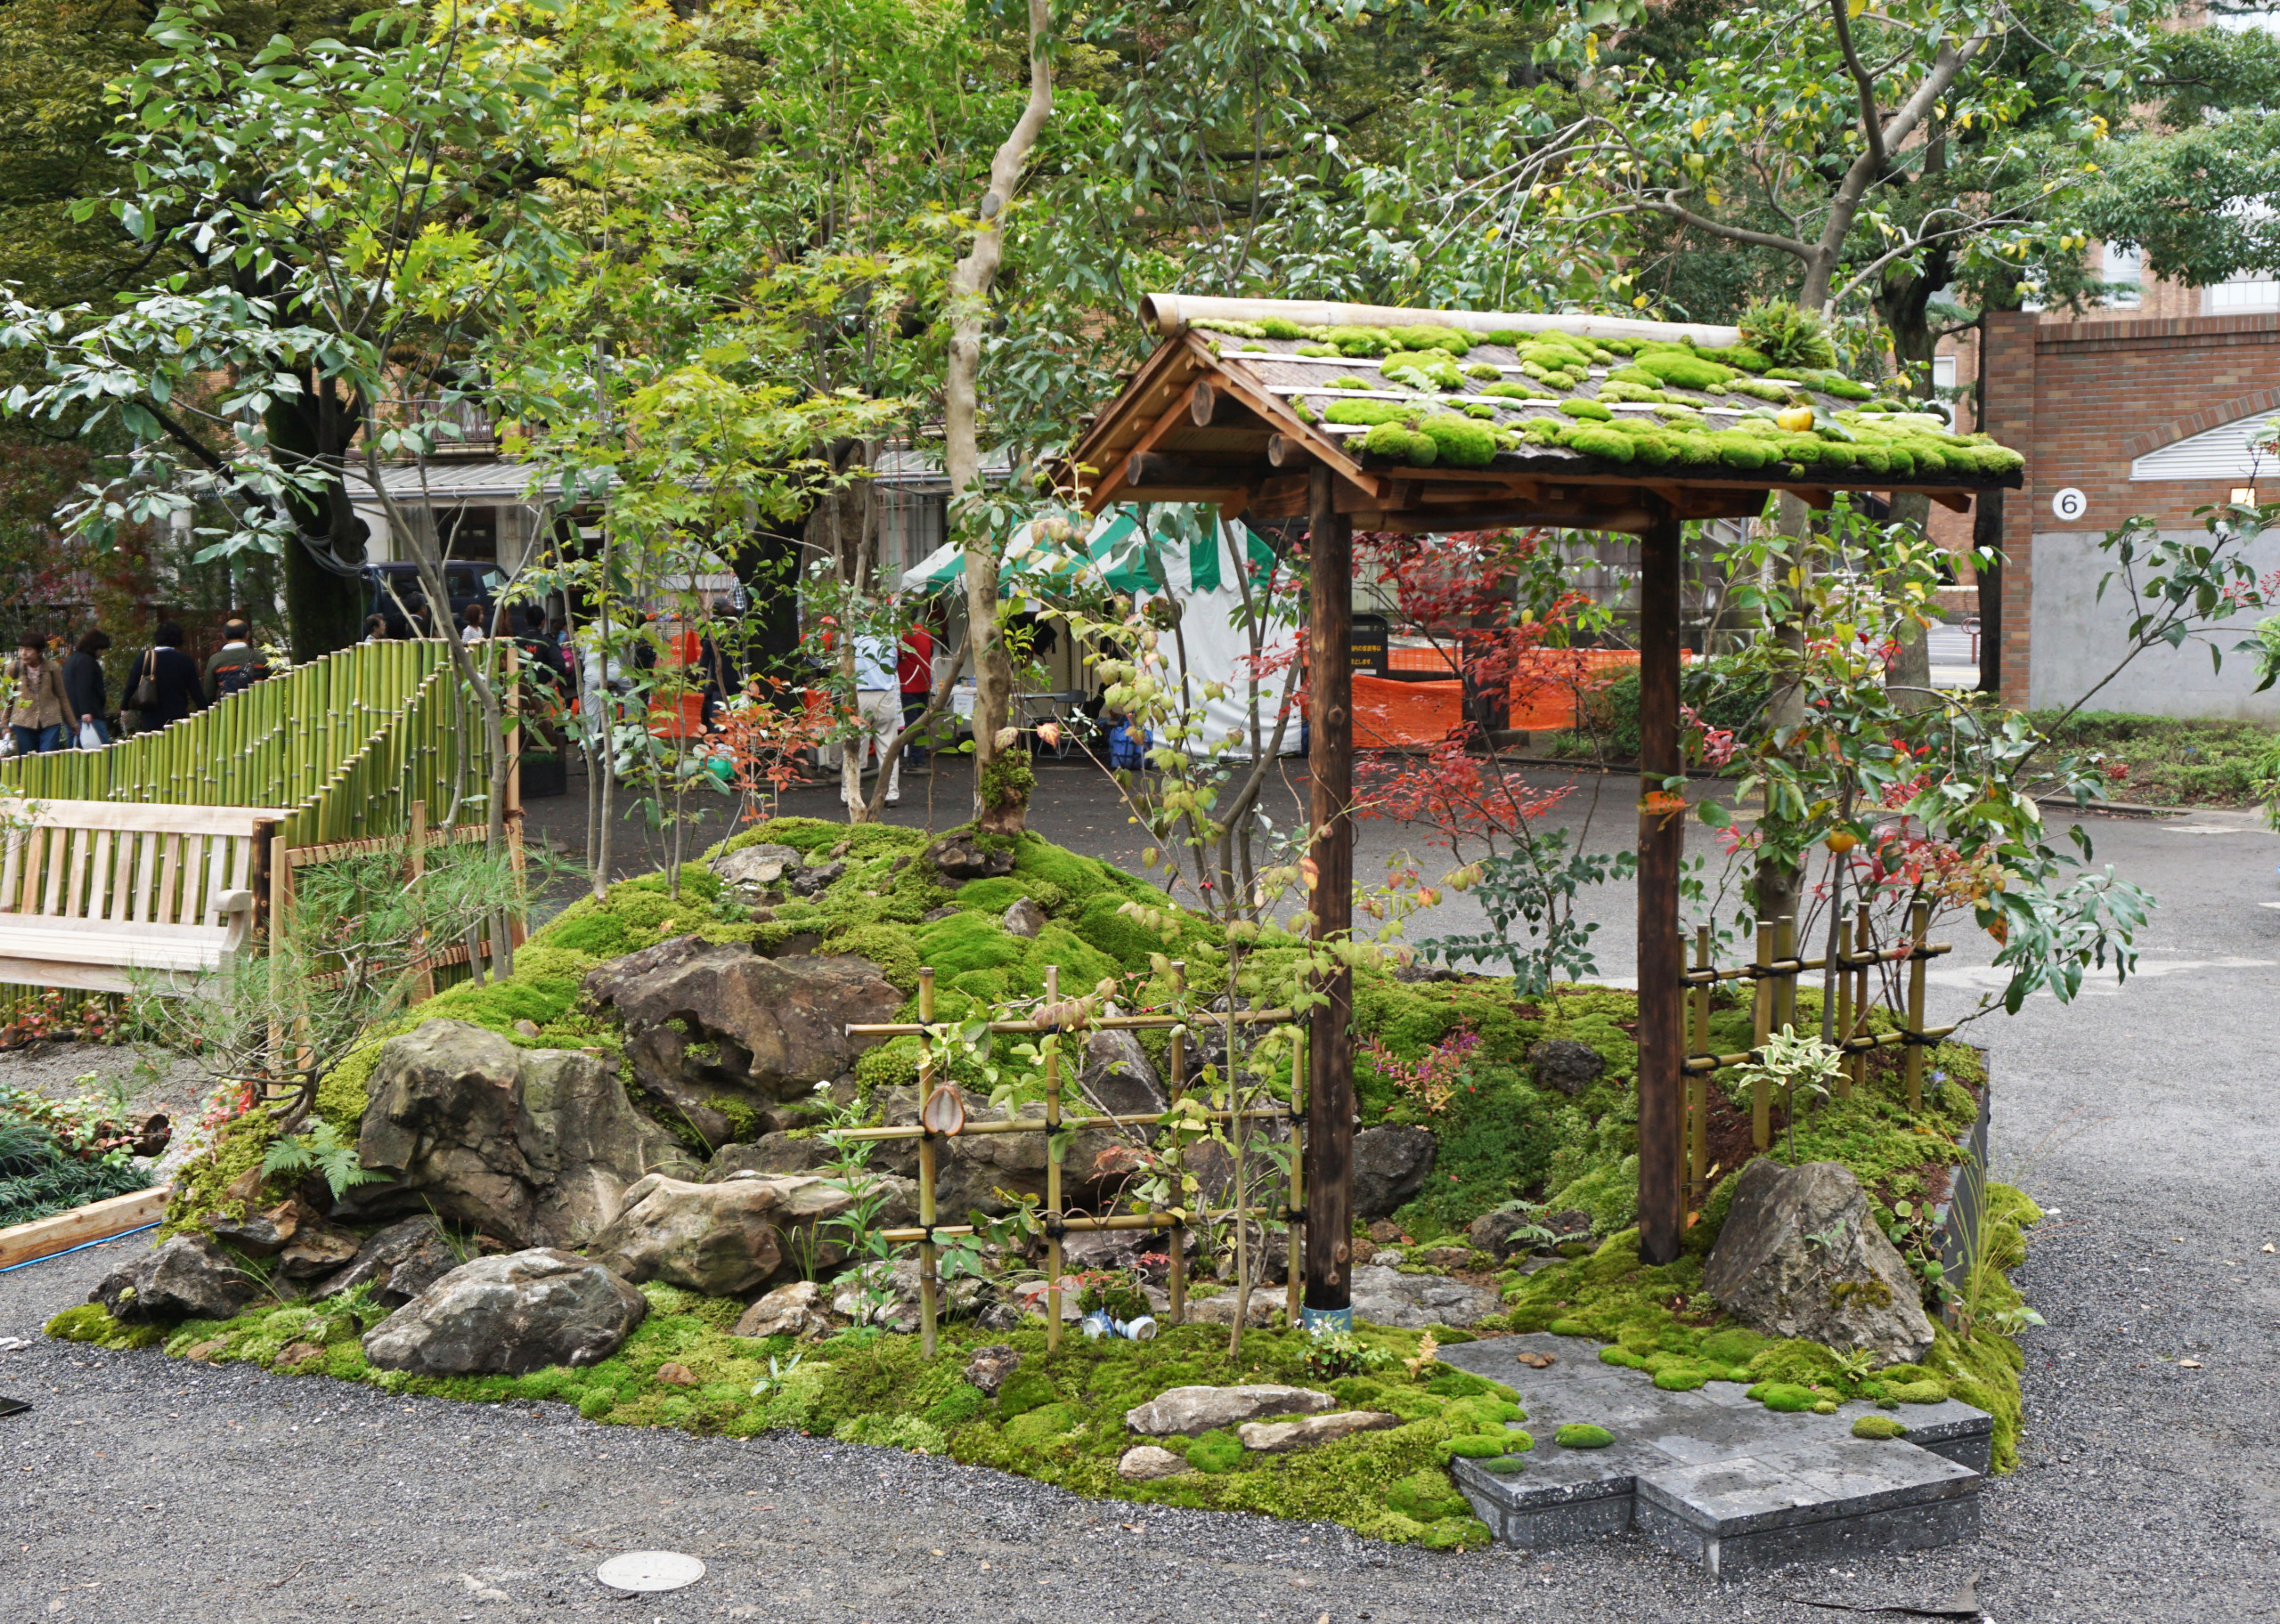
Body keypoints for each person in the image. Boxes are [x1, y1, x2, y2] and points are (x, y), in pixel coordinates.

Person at [846, 630, 901, 806]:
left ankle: (848, 793)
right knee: (888, 748)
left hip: (859, 694)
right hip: (885, 694)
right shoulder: (889, 637)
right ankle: (890, 793)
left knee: (853, 747)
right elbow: (893, 664)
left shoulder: (849, 636)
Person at [6, 634, 70, 755]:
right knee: (27, 759)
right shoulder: (14, 667)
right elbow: (6, 697)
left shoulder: (53, 668)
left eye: (28, 649)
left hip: (50, 720)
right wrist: (4, 726)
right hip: (22, 721)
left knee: (49, 757)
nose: (23, 653)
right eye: (20, 649)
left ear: (39, 651)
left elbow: (62, 696)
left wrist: (72, 724)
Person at [897, 613, 935, 770]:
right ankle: (918, 756)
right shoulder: (925, 632)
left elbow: (895, 657)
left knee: (912, 724)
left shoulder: (903, 634)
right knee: (921, 722)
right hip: (924, 682)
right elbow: (930, 652)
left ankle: (916, 759)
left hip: (909, 684)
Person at [62, 629, 112, 746]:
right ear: (94, 647)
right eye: (101, 649)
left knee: (75, 751)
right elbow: (83, 687)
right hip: (89, 715)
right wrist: (86, 711)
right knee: (103, 750)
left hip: (71, 714)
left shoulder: (72, 660)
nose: (101, 653)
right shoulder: (86, 661)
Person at [203, 620, 271, 701]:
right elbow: (270, 686)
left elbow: (209, 693)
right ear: (247, 634)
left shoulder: (215, 660)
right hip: (256, 708)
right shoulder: (260, 657)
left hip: (226, 709)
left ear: (223, 636)